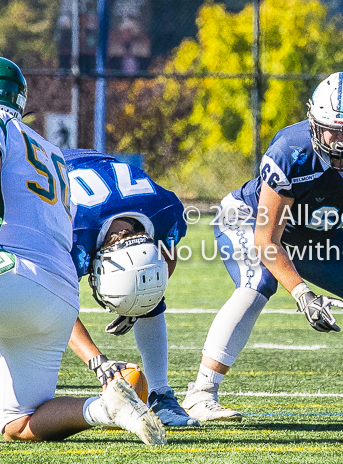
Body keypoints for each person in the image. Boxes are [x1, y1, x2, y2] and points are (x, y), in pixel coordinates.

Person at [182, 72, 343, 422]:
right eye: (331, 129)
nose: (340, 141)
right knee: (257, 284)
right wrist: (303, 295)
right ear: (313, 122)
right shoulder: (291, 151)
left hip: (317, 233)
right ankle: (201, 393)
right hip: (249, 221)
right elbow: (266, 239)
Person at [0, 57, 165, 444]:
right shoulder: (51, 151)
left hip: (11, 274)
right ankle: (106, 409)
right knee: (17, 423)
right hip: (58, 299)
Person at [64, 148, 198, 427]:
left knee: (146, 285)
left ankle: (161, 393)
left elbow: (165, 257)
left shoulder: (164, 211)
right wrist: (97, 361)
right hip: (53, 171)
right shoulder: (73, 232)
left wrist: (140, 303)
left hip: (110, 182)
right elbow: (53, 303)